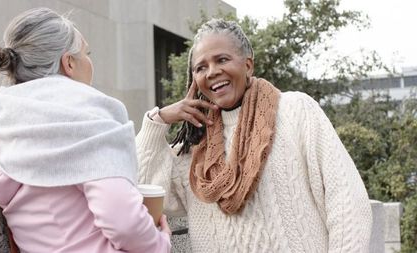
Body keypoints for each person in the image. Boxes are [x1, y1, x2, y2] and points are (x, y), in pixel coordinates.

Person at [136, 18, 372, 252]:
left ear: (248, 65)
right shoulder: (194, 148)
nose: (212, 72)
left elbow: (347, 202)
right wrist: (157, 121)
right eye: (201, 68)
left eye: (222, 59)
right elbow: (141, 197)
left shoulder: (296, 111)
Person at [0, 7, 171, 253]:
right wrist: (159, 243)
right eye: (86, 53)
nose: (89, 62)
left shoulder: (1, 128)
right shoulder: (89, 116)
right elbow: (123, 221)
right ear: (68, 62)